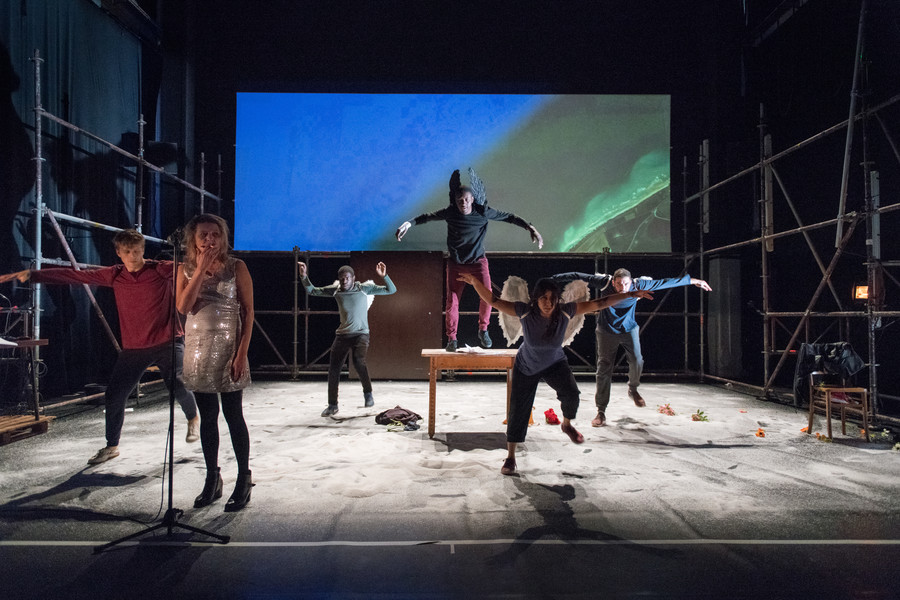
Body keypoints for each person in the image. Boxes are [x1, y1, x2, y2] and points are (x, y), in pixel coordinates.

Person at [0, 229, 199, 464]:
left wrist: (196, 262)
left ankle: (193, 418)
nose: (133, 256)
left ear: (143, 250)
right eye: (127, 252)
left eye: (137, 251)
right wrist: (34, 274)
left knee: (177, 382)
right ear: (119, 253)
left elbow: (190, 270)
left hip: (168, 340)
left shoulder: (160, 269)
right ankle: (112, 446)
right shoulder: (115, 274)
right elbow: (75, 276)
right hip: (135, 347)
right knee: (114, 395)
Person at [456, 271, 653, 475]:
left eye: (552, 298)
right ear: (536, 298)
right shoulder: (525, 311)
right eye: (544, 298)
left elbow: (600, 303)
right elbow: (494, 301)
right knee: (518, 411)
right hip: (526, 366)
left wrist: (630, 294)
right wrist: (475, 282)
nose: (548, 303)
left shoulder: (566, 311)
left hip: (554, 363)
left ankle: (566, 425)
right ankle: (511, 457)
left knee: (572, 395)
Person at [395, 168, 543, 352]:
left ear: (472, 199)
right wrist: (408, 224)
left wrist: (530, 228)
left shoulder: (483, 212)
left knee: (488, 296)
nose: (463, 203)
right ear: (455, 200)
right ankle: (452, 339)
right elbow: (427, 217)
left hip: (477, 263)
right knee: (452, 301)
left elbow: (510, 217)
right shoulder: (451, 212)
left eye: (466, 200)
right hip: (456, 264)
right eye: (459, 200)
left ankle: (483, 329)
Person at [552, 268, 712, 427]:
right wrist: (553, 279)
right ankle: (601, 411)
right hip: (606, 330)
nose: (622, 288)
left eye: (626, 284)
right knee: (604, 368)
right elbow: (578, 275)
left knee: (637, 360)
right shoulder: (604, 283)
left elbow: (665, 282)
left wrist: (694, 281)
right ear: (613, 282)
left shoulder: (639, 284)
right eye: (619, 284)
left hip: (629, 329)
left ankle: (633, 389)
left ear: (631, 282)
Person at [176, 214, 255, 512]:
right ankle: (213, 478)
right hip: (197, 349)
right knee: (208, 417)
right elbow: (183, 307)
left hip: (229, 348)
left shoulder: (237, 267)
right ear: (193, 239)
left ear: (223, 238)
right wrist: (199, 271)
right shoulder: (183, 269)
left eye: (215, 235)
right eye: (203, 235)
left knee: (234, 415)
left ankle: (243, 479)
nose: (209, 240)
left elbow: (248, 311)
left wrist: (242, 353)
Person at [298, 261, 397, 417]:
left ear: (353, 278)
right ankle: (332, 405)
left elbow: (391, 290)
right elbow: (312, 291)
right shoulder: (336, 290)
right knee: (334, 368)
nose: (344, 281)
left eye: (347, 278)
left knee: (358, 361)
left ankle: (368, 393)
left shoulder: (364, 289)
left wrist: (384, 276)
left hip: (361, 334)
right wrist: (304, 276)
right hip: (343, 335)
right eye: (342, 278)